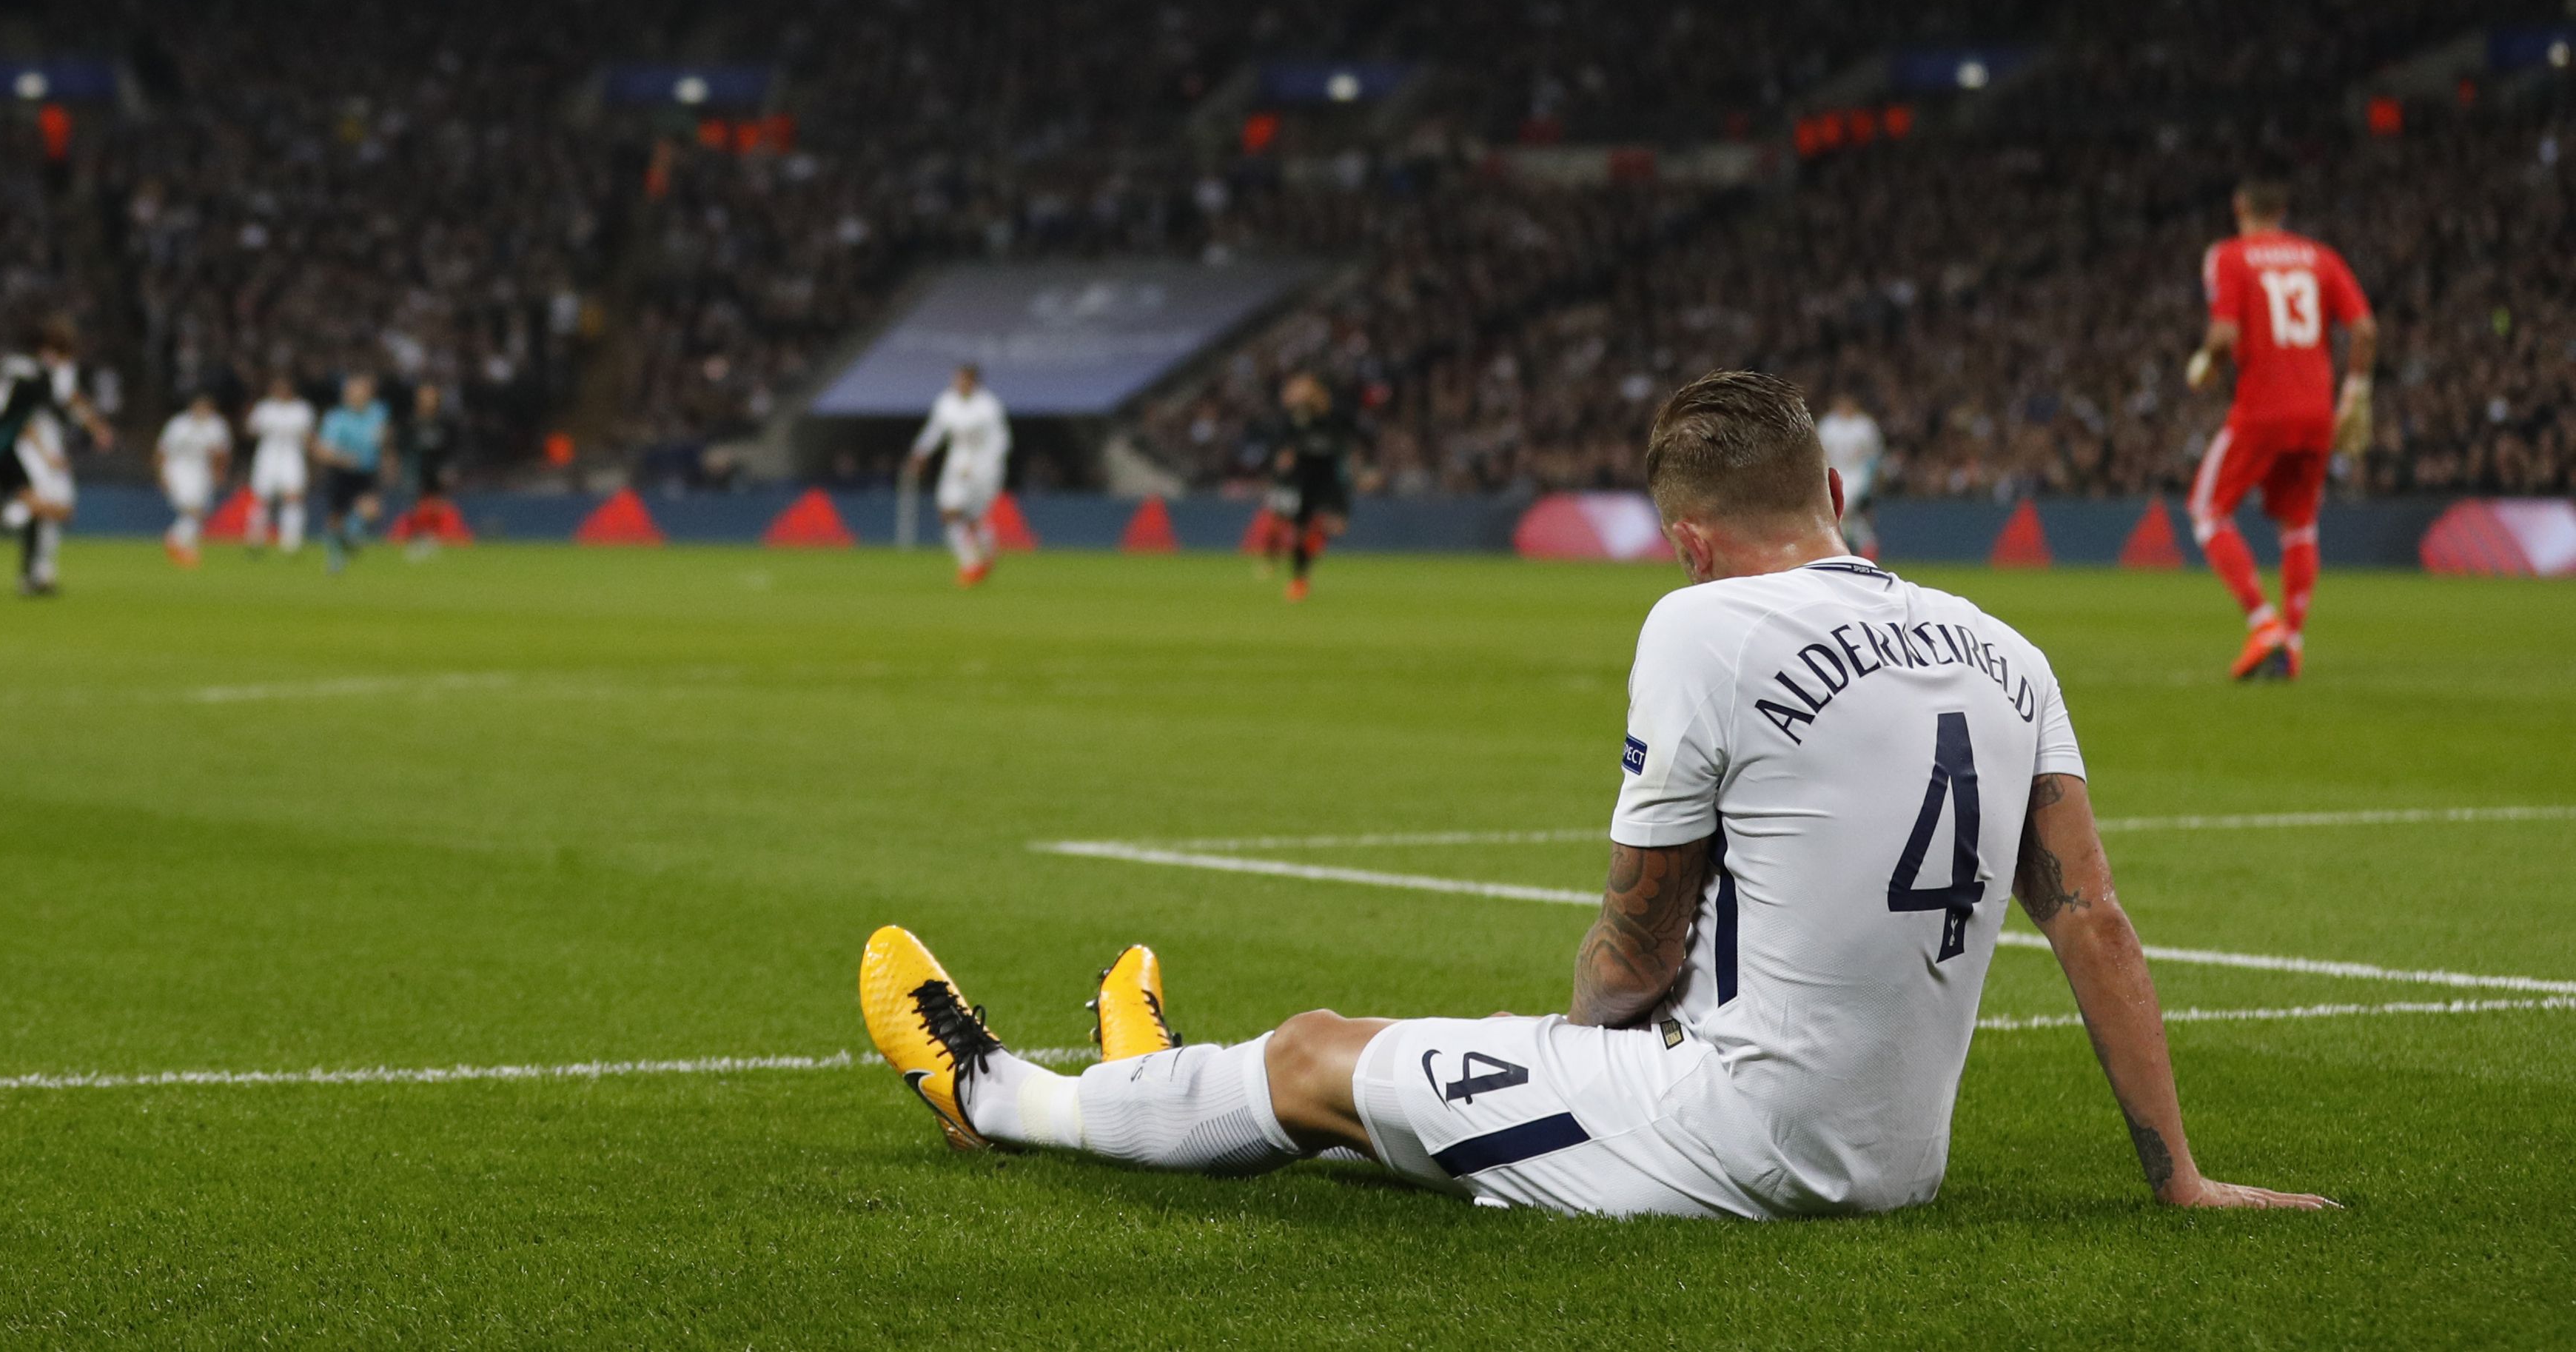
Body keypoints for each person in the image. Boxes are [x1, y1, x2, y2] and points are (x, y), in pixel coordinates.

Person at [861, 370, 2335, 1222]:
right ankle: (1165, 1080)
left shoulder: (1702, 627)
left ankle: (1005, 1097)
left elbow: (1637, 945)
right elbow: (2096, 927)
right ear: (1829, 483)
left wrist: (1565, 1069)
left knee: (1318, 1055)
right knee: (1397, 1108)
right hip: (1901, 1157)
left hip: (1745, 1142)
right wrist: (2182, 1181)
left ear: (1688, 540)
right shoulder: (2005, 648)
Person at [2183, 179, 2375, 683]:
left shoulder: (2229, 256)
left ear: (2239, 207)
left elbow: (2224, 334)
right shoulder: (2320, 257)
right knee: (2300, 523)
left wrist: (2207, 362)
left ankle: (2262, 621)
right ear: (2284, 211)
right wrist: (2355, 394)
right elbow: (2365, 329)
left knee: (2207, 511)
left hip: (2262, 409)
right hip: (2316, 411)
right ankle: (2292, 641)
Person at [0, 317, 114, 598]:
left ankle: (37, 566)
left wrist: (96, 428)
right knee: (46, 506)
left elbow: (71, 400)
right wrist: (47, 452)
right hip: (31, 446)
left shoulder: (53, 371)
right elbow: (25, 416)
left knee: (56, 509)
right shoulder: (32, 373)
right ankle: (19, 544)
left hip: (47, 444)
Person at [906, 361, 1010, 586]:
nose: (958, 383)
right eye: (956, 379)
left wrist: (986, 468)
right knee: (951, 513)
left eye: (963, 379)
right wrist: (920, 453)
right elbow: (935, 430)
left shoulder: (988, 406)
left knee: (970, 517)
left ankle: (983, 554)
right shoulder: (947, 402)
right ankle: (973, 562)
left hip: (983, 467)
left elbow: (1001, 441)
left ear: (974, 382)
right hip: (957, 463)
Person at [1262, 372, 1352, 602]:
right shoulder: (1297, 419)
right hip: (1303, 480)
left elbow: (1346, 444)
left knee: (1335, 526)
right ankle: (1299, 579)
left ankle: (1308, 551)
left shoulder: (1336, 417)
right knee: (1296, 531)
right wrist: (1285, 456)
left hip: (1329, 480)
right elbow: (1284, 444)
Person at [313, 372, 391, 576]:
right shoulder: (336, 419)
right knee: (336, 518)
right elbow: (322, 451)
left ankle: (351, 535)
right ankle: (335, 558)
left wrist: (384, 446)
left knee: (372, 511)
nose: (359, 396)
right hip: (341, 473)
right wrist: (343, 458)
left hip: (366, 472)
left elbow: (383, 437)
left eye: (363, 392)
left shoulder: (378, 412)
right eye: (354, 392)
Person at [154, 391, 233, 568]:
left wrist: (219, 472)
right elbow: (162, 451)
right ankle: (177, 540)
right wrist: (162, 475)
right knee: (193, 509)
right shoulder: (178, 425)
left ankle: (180, 542)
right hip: (177, 469)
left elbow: (223, 453)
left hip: (201, 471)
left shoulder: (216, 426)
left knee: (200, 512)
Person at [394, 381, 469, 558]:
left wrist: (450, 469)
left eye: (431, 397)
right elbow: (401, 449)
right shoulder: (409, 423)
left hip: (439, 476)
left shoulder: (446, 424)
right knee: (415, 511)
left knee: (440, 509)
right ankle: (411, 540)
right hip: (414, 475)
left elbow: (455, 449)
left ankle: (441, 539)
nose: (427, 401)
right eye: (424, 397)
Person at [244, 375, 315, 556]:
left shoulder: (302, 409)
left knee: (293, 497)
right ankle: (255, 540)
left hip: (292, 456)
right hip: (267, 456)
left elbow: (309, 437)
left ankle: (290, 543)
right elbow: (250, 431)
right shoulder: (264, 409)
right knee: (262, 499)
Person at [1816, 392, 1885, 562]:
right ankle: (1866, 547)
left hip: (1857, 474)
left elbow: (1874, 455)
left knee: (1844, 511)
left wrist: (1871, 479)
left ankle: (1844, 551)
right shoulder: (1828, 425)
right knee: (1846, 519)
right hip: (1834, 472)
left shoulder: (1864, 426)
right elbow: (1819, 453)